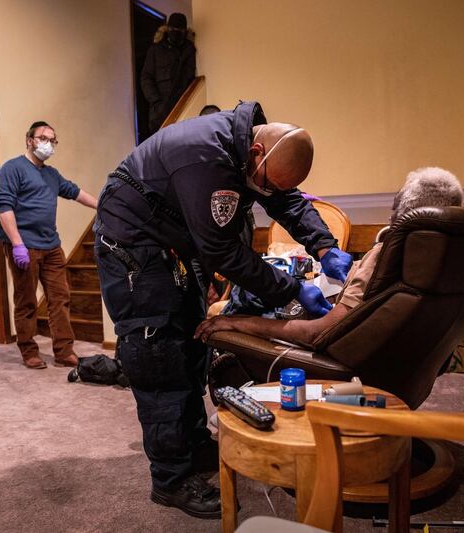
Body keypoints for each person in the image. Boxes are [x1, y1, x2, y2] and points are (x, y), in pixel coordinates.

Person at [93, 100, 352, 518]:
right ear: (256, 155)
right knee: (159, 350)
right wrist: (291, 290)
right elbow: (223, 252)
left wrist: (323, 245)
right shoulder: (205, 159)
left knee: (193, 343)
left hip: (172, 241)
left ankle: (193, 447)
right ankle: (170, 479)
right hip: (133, 245)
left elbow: (287, 199)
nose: (267, 192)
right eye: (266, 182)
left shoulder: (255, 150)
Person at [195, 167, 464, 348]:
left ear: (400, 209)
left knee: (244, 297)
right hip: (394, 351)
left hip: (332, 346)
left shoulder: (386, 254)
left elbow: (319, 332)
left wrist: (236, 324)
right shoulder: (443, 257)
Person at [0, 121, 98, 370]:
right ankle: (29, 351)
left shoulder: (51, 175)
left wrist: (103, 204)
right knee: (27, 300)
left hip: (51, 245)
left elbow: (75, 192)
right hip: (24, 246)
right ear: (29, 140)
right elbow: (4, 207)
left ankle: (64, 351)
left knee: (60, 299)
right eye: (43, 138)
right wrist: (17, 244)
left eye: (52, 140)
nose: (48, 144)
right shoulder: (12, 168)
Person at [141, 12, 196, 134]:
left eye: (180, 30)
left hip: (184, 111)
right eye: (173, 29)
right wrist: (156, 101)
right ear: (167, 29)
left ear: (185, 31)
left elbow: (190, 78)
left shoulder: (190, 50)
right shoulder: (155, 50)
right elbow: (146, 78)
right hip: (159, 115)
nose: (176, 32)